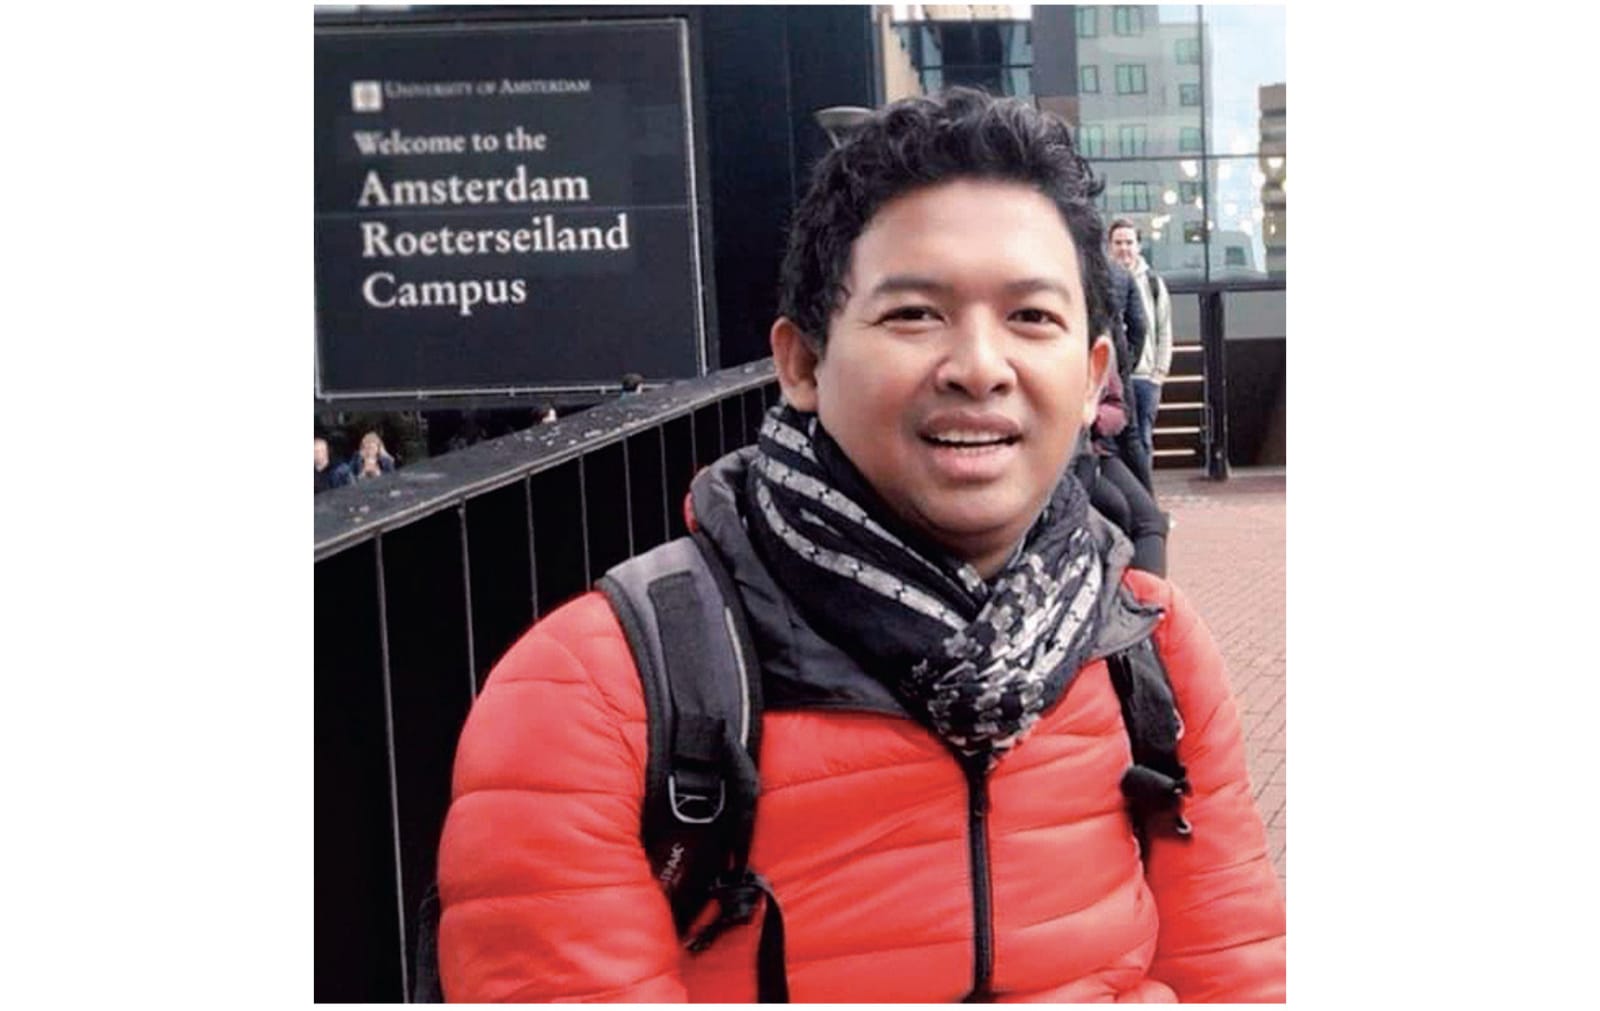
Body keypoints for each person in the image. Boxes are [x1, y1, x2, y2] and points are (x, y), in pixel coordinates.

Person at [436, 88, 1284, 1002]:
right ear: (803, 363)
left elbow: (1232, 973)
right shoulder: (596, 694)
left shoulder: (1150, 647)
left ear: (1090, 378)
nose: (980, 366)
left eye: (1032, 317)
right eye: (915, 313)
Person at [1083, 346, 1168, 576]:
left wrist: (1092, 416)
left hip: (1094, 449)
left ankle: (1145, 596)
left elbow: (1118, 408)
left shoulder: (1099, 344)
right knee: (1114, 509)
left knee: (1150, 522)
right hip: (1059, 460)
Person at [1108, 218, 1172, 467]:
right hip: (1112, 378)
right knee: (1111, 443)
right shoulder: (1103, 280)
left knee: (1142, 441)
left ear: (1138, 246)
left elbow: (1164, 328)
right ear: (1109, 246)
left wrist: (1159, 372)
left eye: (1129, 242)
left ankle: (1143, 489)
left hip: (1145, 377)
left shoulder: (1153, 283)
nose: (1124, 248)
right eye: (1118, 243)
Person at [1106, 257, 1153, 490]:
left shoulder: (1074, 267)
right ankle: (1146, 497)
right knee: (1131, 436)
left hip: (1086, 361)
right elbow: (1139, 325)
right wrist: (1129, 363)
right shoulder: (1121, 273)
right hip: (1118, 359)